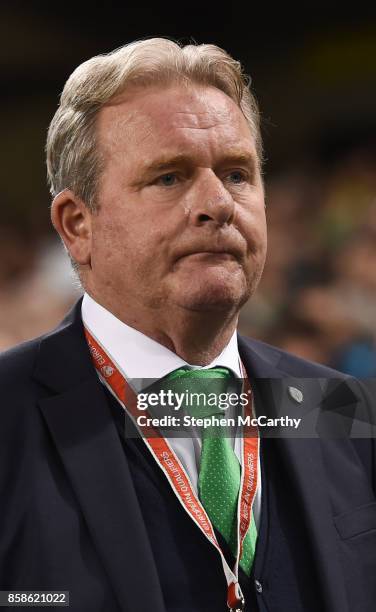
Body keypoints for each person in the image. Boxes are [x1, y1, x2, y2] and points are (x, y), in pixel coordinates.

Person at [0, 38, 375, 612]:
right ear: (78, 225)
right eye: (169, 177)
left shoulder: (339, 407)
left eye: (237, 173)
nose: (218, 203)